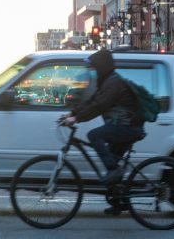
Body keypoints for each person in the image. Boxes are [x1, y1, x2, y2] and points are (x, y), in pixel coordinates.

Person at [60, 49, 145, 215]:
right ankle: (120, 201)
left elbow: (100, 105)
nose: (92, 71)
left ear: (102, 67)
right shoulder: (107, 81)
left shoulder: (114, 83)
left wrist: (76, 120)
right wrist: (73, 113)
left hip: (128, 127)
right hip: (124, 126)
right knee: (112, 163)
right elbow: (93, 101)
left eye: (94, 68)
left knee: (94, 136)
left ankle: (114, 171)